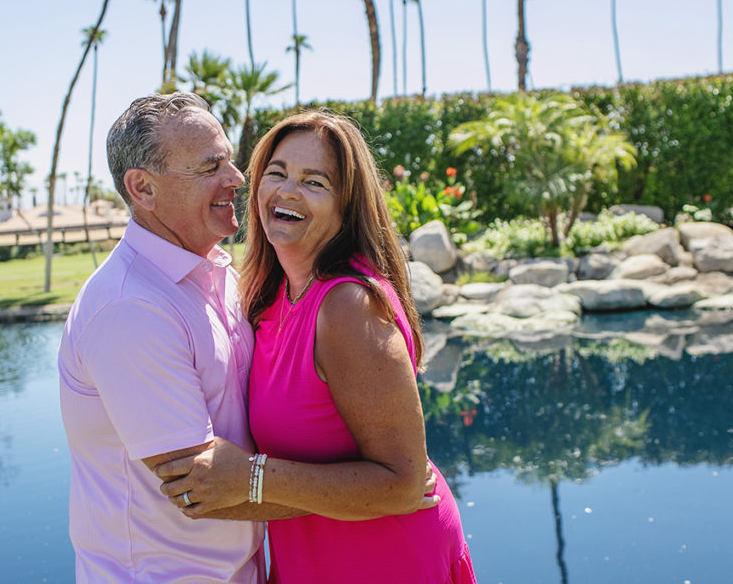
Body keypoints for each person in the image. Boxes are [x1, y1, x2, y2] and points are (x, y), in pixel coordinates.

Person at [157, 110, 476, 583]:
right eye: (277, 173)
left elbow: (403, 484)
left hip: (387, 559)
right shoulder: (269, 297)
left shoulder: (348, 306)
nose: (287, 191)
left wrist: (250, 476)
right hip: (315, 556)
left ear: (346, 207)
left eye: (314, 182)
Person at [57, 92, 271, 582]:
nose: (236, 179)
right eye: (210, 165)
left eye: (231, 160)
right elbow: (199, 486)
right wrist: (366, 492)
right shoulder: (130, 308)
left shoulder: (216, 271)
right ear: (143, 189)